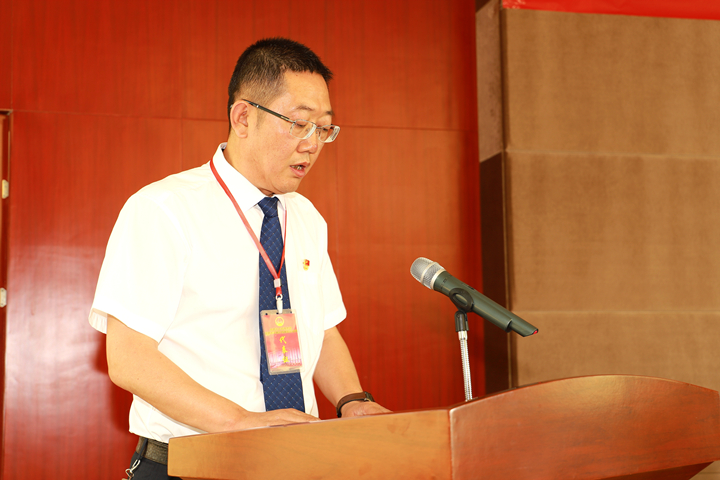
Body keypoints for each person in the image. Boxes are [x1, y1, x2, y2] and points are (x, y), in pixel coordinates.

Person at [89, 37, 389, 480]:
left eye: (324, 128)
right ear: (243, 117)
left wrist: (351, 401)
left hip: (293, 462)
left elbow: (322, 331)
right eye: (299, 124)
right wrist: (239, 423)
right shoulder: (165, 209)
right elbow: (129, 358)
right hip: (190, 464)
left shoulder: (306, 218)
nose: (313, 144)